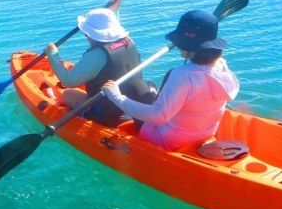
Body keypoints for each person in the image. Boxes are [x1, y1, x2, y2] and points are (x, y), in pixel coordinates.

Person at [101, 9, 239, 150]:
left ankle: (103, 121)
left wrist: (117, 97)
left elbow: (158, 116)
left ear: (192, 47)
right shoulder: (222, 65)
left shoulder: (182, 76)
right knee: (151, 86)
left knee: (134, 88)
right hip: (203, 135)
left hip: (167, 141)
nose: (178, 45)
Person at [45, 0, 155, 127]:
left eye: (87, 32)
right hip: (131, 100)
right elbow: (112, 29)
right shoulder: (128, 41)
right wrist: (114, 10)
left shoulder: (97, 55)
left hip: (107, 108)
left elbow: (68, 80)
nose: (86, 35)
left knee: (67, 94)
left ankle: (89, 115)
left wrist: (53, 55)